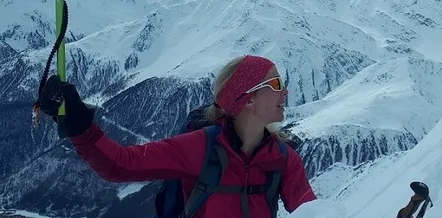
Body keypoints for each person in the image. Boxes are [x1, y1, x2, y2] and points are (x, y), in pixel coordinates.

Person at [36, 54, 316, 217]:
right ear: (247, 99)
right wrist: (81, 128)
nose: (286, 91)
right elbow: (121, 164)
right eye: (277, 84)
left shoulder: (284, 160)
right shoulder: (202, 146)